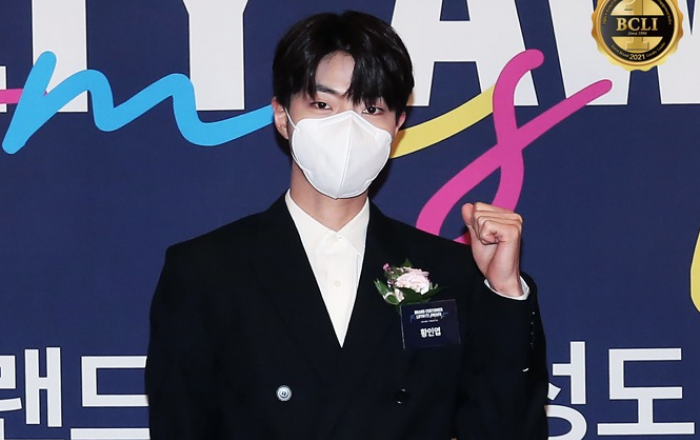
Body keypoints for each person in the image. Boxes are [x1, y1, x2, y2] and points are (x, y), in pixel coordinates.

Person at [145, 10, 548, 440]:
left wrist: (505, 293)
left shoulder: (452, 274)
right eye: (323, 105)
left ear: (397, 125)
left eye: (370, 108)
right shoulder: (206, 273)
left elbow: (505, 428)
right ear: (282, 115)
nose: (348, 126)